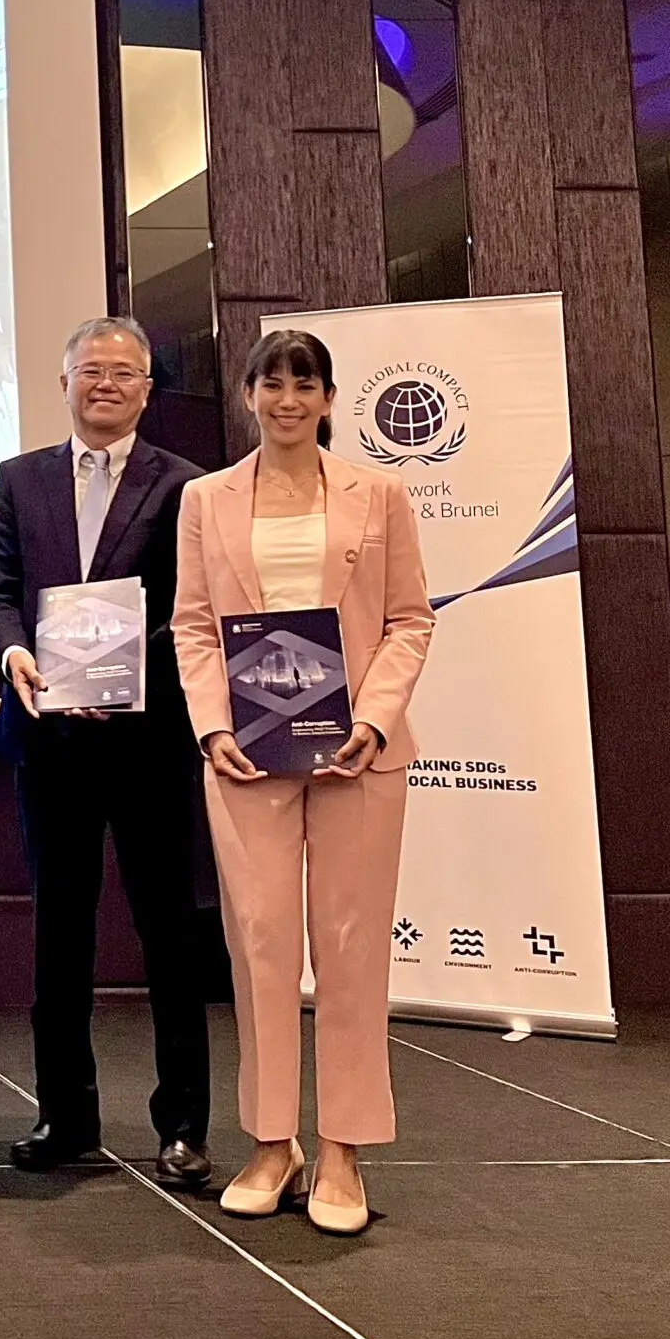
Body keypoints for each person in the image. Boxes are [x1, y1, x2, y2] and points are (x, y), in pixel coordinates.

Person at [172, 328, 433, 1237]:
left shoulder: (380, 493)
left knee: (352, 948)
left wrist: (374, 718)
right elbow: (193, 625)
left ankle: (344, 1150)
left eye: (305, 383)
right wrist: (213, 726)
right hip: (247, 755)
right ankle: (271, 1142)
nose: (287, 399)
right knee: (261, 946)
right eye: (272, 383)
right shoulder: (204, 498)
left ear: (328, 398)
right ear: (248, 394)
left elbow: (409, 620)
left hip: (357, 752)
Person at [0, 316, 212, 1189]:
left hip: (148, 741)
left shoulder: (187, 486)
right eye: (91, 370)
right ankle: (64, 1116)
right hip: (49, 737)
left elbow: (194, 605)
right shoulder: (20, 478)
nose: (105, 383)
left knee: (168, 935)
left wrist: (118, 667)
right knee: (59, 932)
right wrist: (14, 650)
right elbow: (1, 590)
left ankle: (183, 1124)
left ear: (147, 390)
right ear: (64, 382)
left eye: (124, 372)